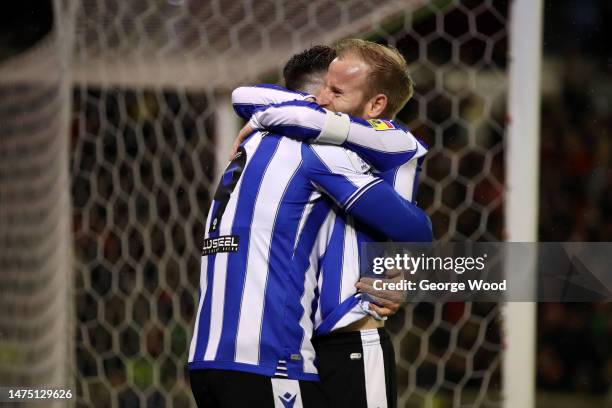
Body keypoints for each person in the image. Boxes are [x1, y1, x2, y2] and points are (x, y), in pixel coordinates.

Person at [188, 41, 431, 407]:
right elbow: (417, 229)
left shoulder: (255, 143)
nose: (322, 101)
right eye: (322, 90)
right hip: (276, 355)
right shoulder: (322, 152)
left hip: (211, 352)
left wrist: (403, 271)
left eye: (335, 92)